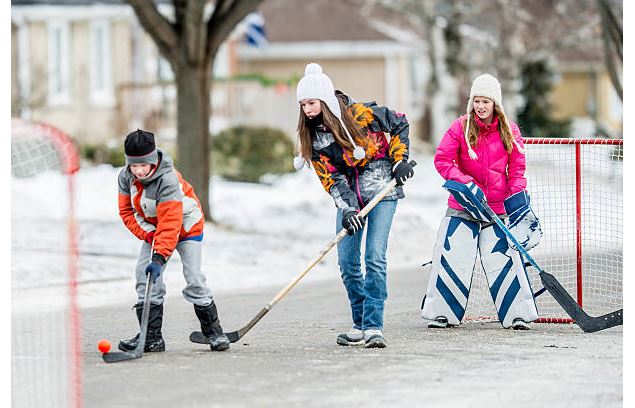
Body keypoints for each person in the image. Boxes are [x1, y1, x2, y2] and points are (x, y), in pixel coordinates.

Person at [295, 63, 415, 348]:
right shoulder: (313, 137)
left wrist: (399, 160)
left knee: (374, 257)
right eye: (302, 104)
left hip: (382, 191)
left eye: (311, 103)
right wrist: (347, 208)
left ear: (324, 100)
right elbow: (331, 179)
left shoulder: (360, 115)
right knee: (348, 262)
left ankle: (374, 326)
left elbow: (399, 122)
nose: (307, 109)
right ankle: (359, 323)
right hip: (351, 199)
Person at [420, 73, 542, 330]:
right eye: (477, 100)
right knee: (454, 258)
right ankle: (442, 313)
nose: (481, 106)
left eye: (486, 101)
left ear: (495, 103)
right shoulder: (460, 127)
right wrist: (464, 182)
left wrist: (518, 202)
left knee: (504, 262)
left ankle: (517, 314)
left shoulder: (510, 130)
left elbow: (517, 170)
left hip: (496, 210)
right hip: (463, 206)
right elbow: (443, 160)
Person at [117, 129, 230, 352]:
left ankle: (213, 332)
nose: (138, 170)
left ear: (152, 160)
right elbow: (127, 212)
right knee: (144, 275)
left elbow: (171, 223)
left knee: (194, 276)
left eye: (143, 165)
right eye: (133, 165)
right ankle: (151, 337)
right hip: (156, 229)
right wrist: (149, 235)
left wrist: (159, 257)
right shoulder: (125, 177)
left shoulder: (168, 179)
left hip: (186, 225)